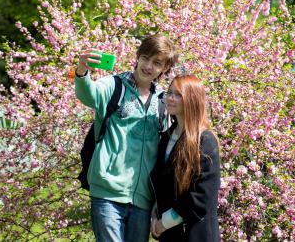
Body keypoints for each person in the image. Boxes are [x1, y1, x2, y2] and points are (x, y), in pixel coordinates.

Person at [75, 34, 179, 242]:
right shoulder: (114, 86)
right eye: (146, 58)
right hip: (108, 192)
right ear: (138, 56)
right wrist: (82, 70)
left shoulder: (162, 101)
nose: (148, 66)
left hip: (143, 199)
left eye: (157, 63)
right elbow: (89, 93)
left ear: (164, 69)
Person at [149, 74, 221, 242]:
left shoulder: (205, 140)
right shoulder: (166, 137)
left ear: (192, 99)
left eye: (177, 94)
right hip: (170, 235)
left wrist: (163, 223)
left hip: (196, 235)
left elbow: (202, 196)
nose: (170, 98)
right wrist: (155, 214)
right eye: (169, 93)